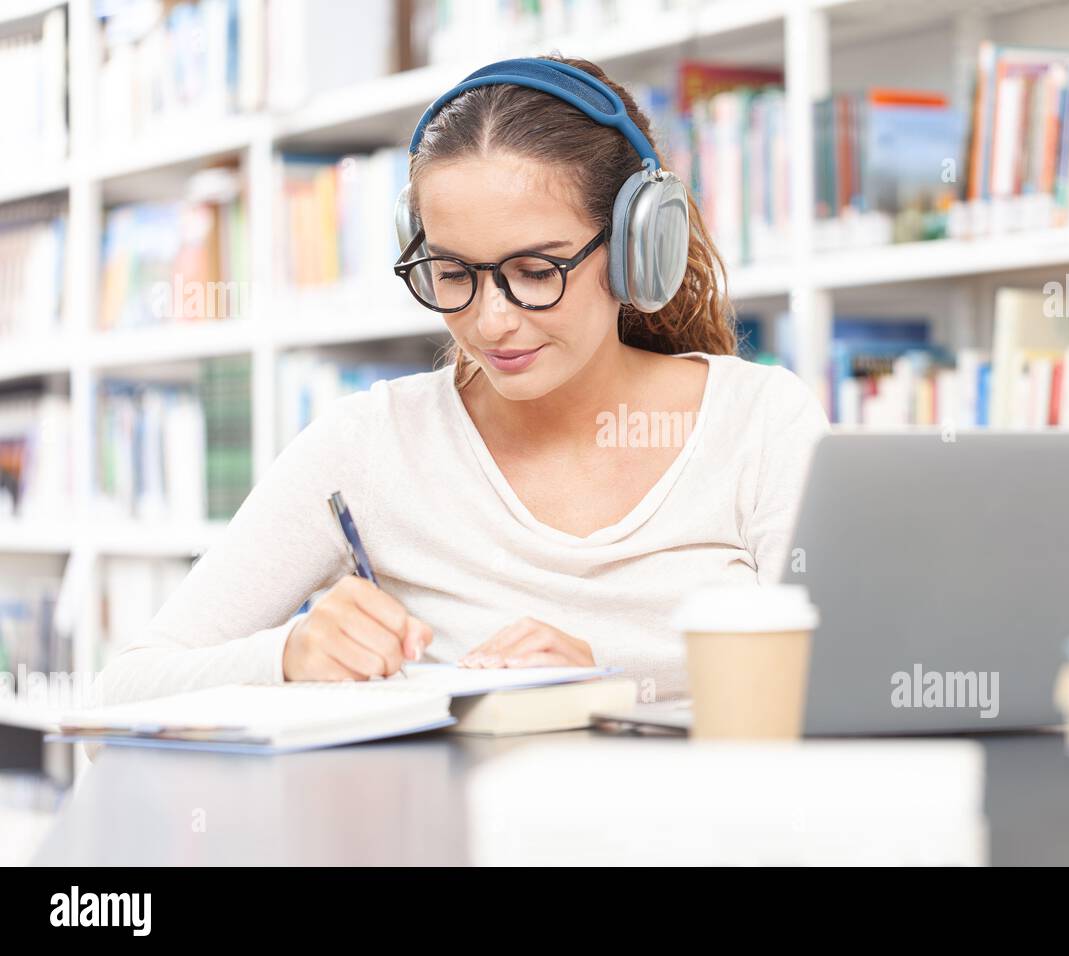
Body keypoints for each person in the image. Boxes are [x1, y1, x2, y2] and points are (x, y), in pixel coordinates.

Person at [95, 53, 828, 708]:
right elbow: (122, 690)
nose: (491, 321)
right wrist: (284, 656)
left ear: (641, 245)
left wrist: (606, 695)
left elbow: (856, 692)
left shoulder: (762, 425)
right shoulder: (370, 445)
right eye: (452, 273)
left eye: (535, 272)